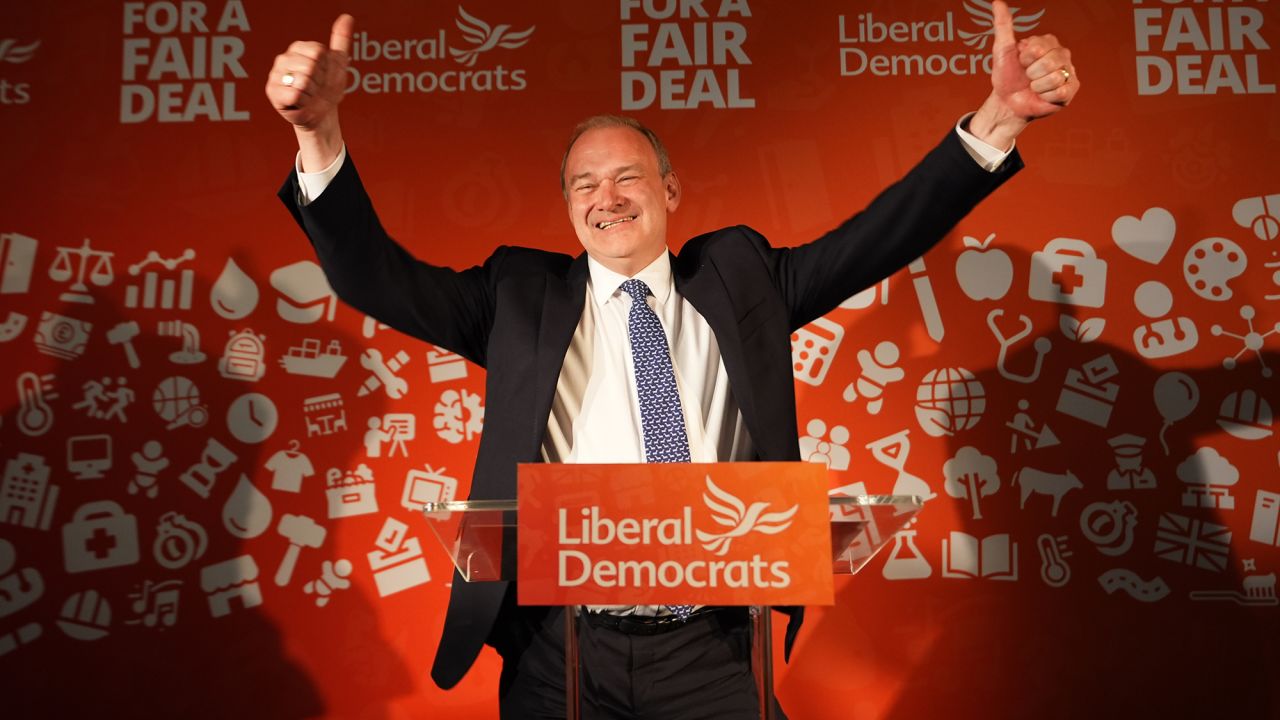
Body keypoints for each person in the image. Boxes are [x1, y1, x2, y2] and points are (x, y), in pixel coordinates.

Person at [267, 4, 1078, 717]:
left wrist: (997, 122)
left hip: (709, 644)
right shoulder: (515, 295)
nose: (606, 197)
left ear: (671, 190)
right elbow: (375, 276)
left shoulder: (740, 278)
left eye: (627, 176)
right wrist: (318, 133)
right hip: (557, 645)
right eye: (584, 184)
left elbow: (880, 236)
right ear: (568, 206)